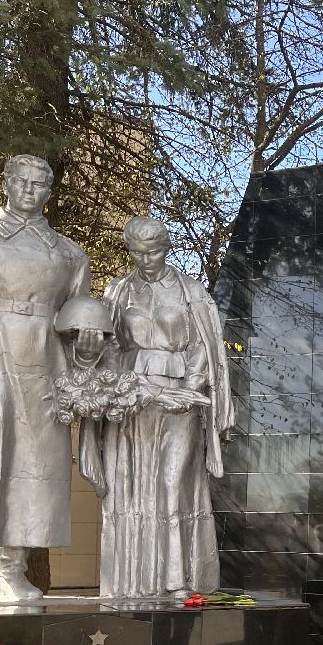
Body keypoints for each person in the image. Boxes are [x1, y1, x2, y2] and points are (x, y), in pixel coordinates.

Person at [0, 154, 91, 602]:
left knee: (35, 464)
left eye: (40, 184)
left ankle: (13, 569)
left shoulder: (70, 253)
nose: (30, 191)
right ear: (7, 184)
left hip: (44, 360)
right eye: (22, 182)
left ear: (49, 191)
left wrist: (86, 352)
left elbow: (79, 323)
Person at [84, 215, 233, 597]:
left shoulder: (190, 290)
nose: (146, 259)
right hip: (132, 399)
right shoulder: (119, 290)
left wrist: (189, 386)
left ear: (167, 247)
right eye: (137, 251)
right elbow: (110, 346)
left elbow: (205, 346)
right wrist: (120, 384)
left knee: (172, 483)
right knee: (129, 487)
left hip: (180, 398)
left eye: (154, 251)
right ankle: (132, 582)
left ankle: (178, 578)